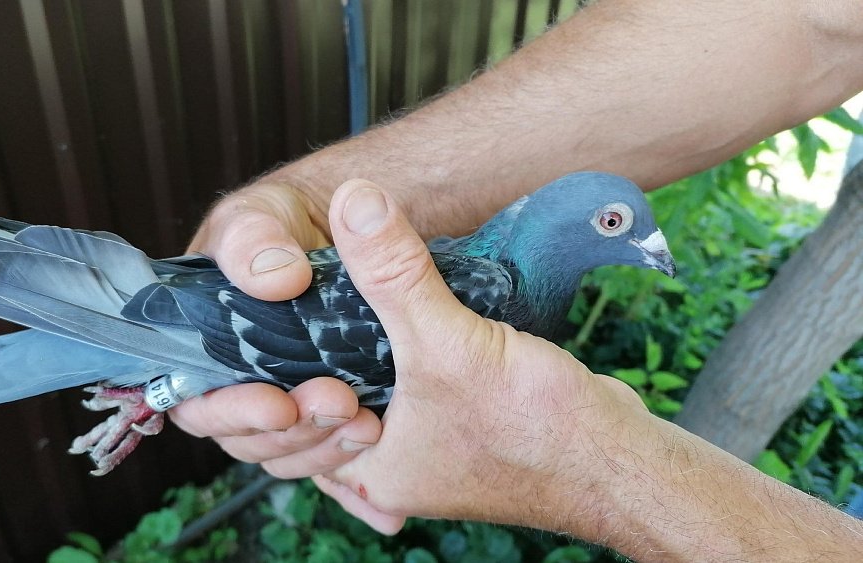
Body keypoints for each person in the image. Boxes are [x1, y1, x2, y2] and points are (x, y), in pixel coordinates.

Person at [170, 0, 863, 559]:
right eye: (620, 223)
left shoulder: (514, 292)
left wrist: (600, 469)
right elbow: (817, 18)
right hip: (225, 322)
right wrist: (313, 203)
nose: (652, 246)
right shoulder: (489, 291)